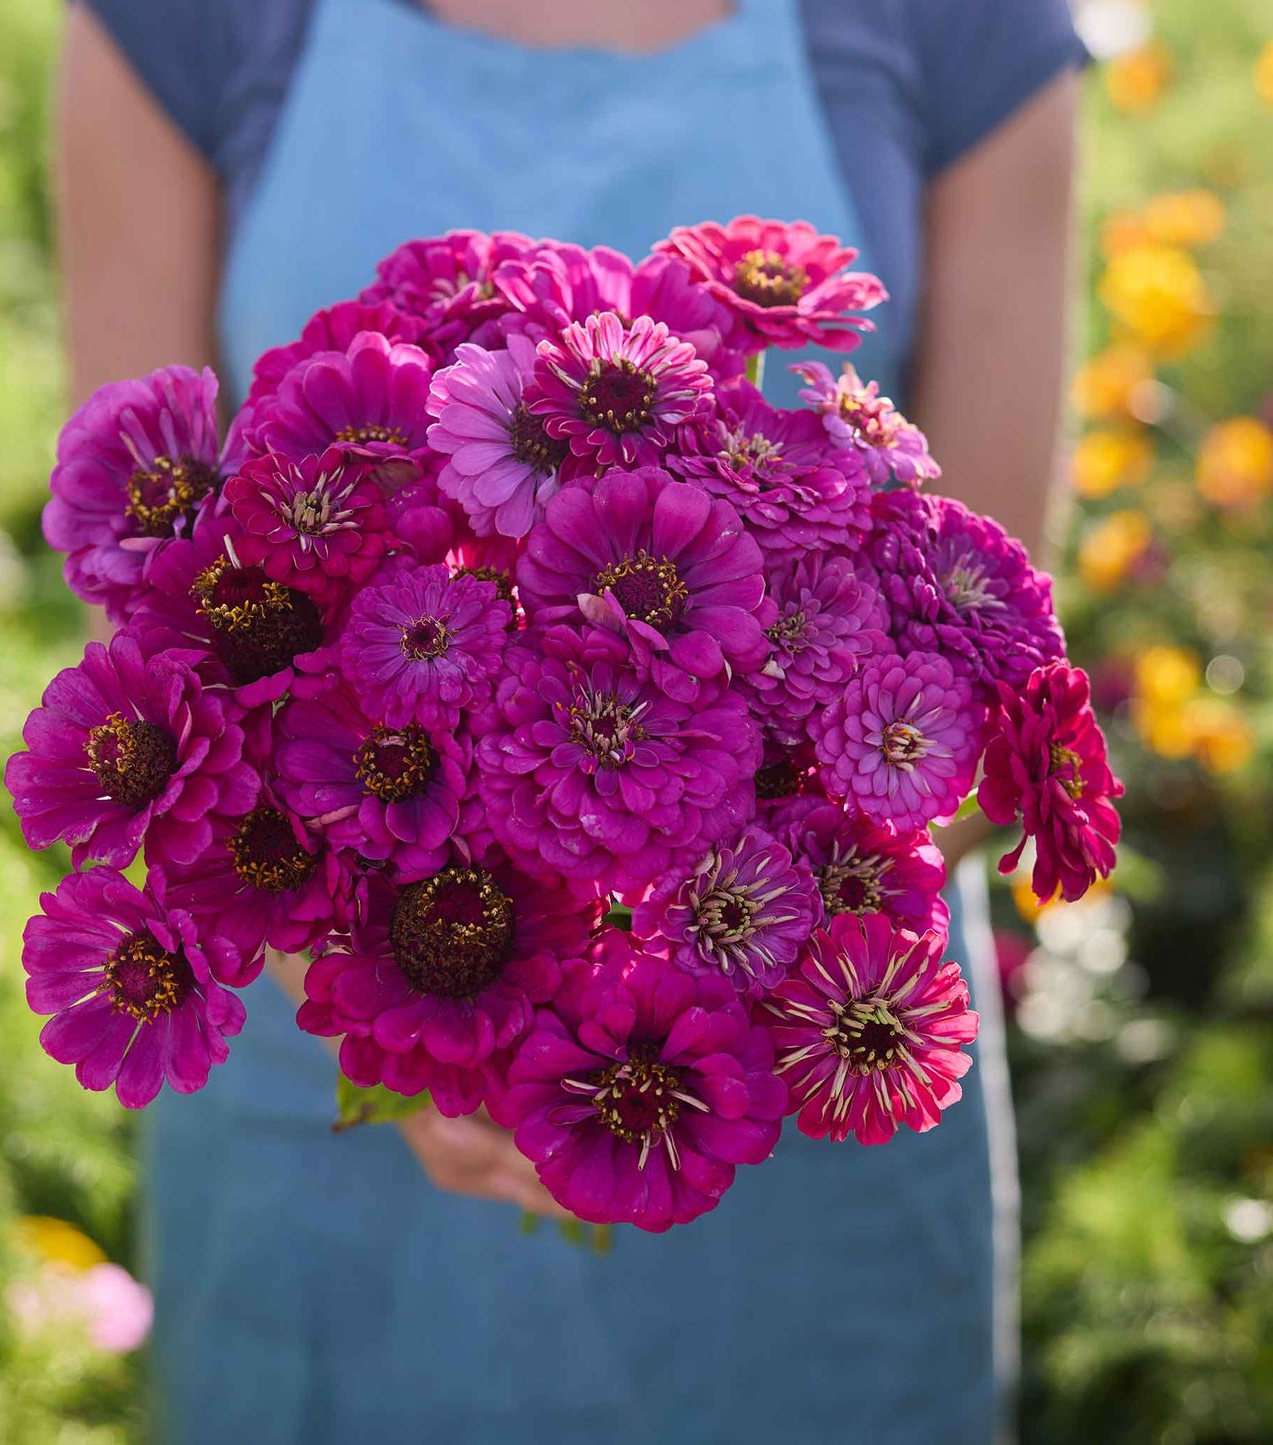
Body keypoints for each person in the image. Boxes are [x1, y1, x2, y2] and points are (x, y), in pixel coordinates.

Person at [57, 2, 1085, 1439]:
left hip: (799, 1041)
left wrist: (670, 959)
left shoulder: (963, 29)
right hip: (330, 1047)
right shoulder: (178, 26)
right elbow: (145, 586)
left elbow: (977, 646)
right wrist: (396, 1007)